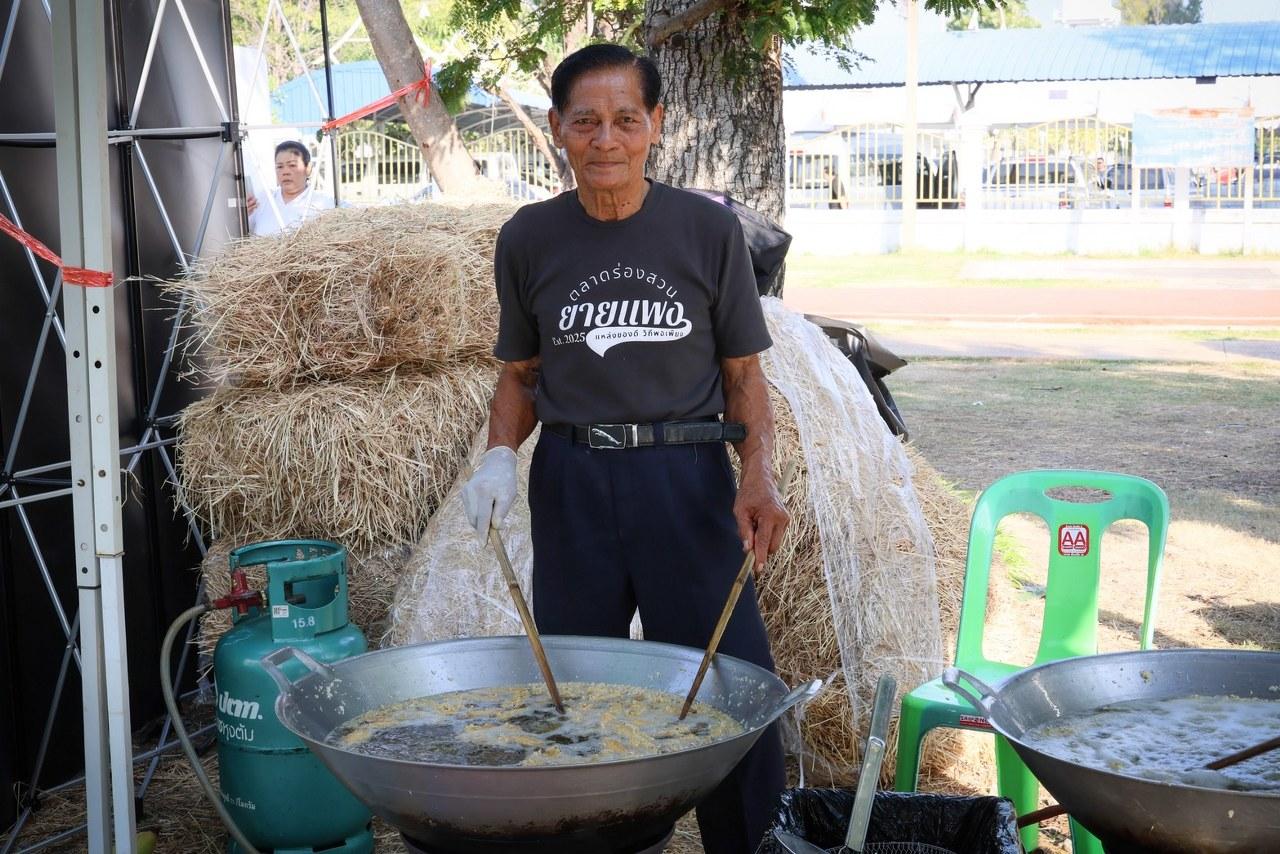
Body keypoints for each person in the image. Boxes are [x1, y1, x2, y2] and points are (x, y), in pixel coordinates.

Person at [460, 43, 790, 853]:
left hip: (687, 480)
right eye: (585, 121)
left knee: (729, 683)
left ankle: (748, 843)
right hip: (572, 482)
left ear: (656, 125)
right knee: (577, 689)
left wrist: (757, 476)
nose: (605, 139)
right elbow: (522, 376)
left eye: (625, 120)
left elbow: (744, 376)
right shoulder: (529, 237)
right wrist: (498, 457)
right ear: (556, 128)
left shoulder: (707, 230)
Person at [246, 140, 334, 236]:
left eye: (292, 165)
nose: (285, 172)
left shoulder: (325, 203)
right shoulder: (264, 199)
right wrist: (244, 215)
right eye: (280, 167)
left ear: (308, 168)